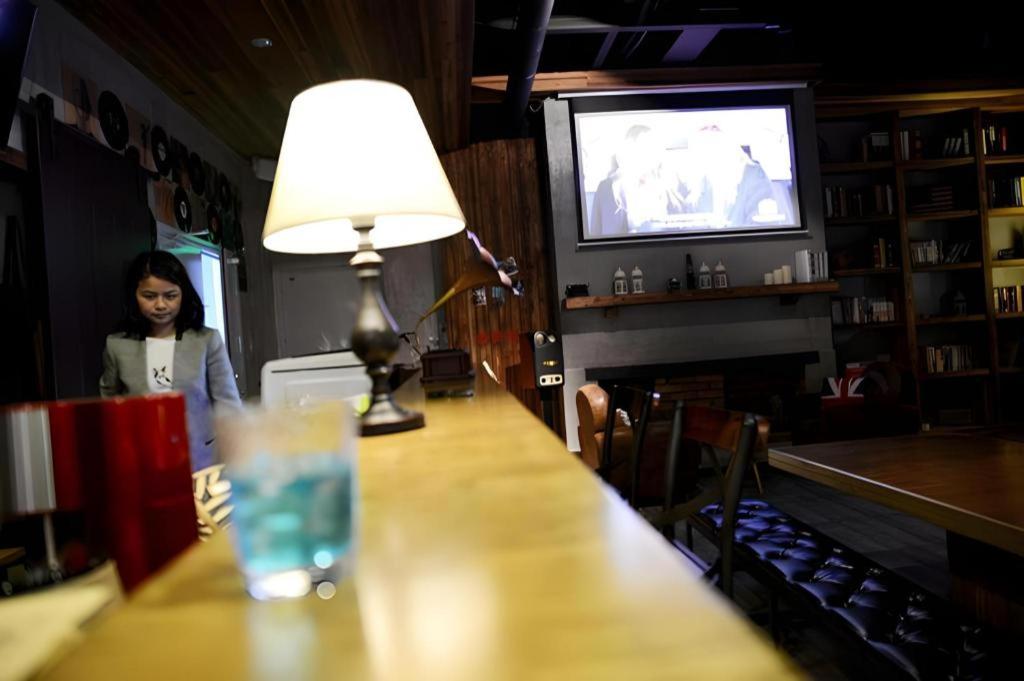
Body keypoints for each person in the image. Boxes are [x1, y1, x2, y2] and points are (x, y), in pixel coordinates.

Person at [99, 250, 240, 470]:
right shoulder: (117, 345)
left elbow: (228, 406)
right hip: (141, 460)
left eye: (170, 296)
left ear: (184, 294)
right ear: (134, 295)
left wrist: (237, 459)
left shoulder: (206, 340)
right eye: (149, 296)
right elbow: (109, 408)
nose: (161, 305)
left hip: (201, 460)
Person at [589, 125, 691, 236]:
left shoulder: (667, 186)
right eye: (643, 148)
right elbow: (595, 232)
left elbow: (682, 225)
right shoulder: (607, 188)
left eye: (652, 149)